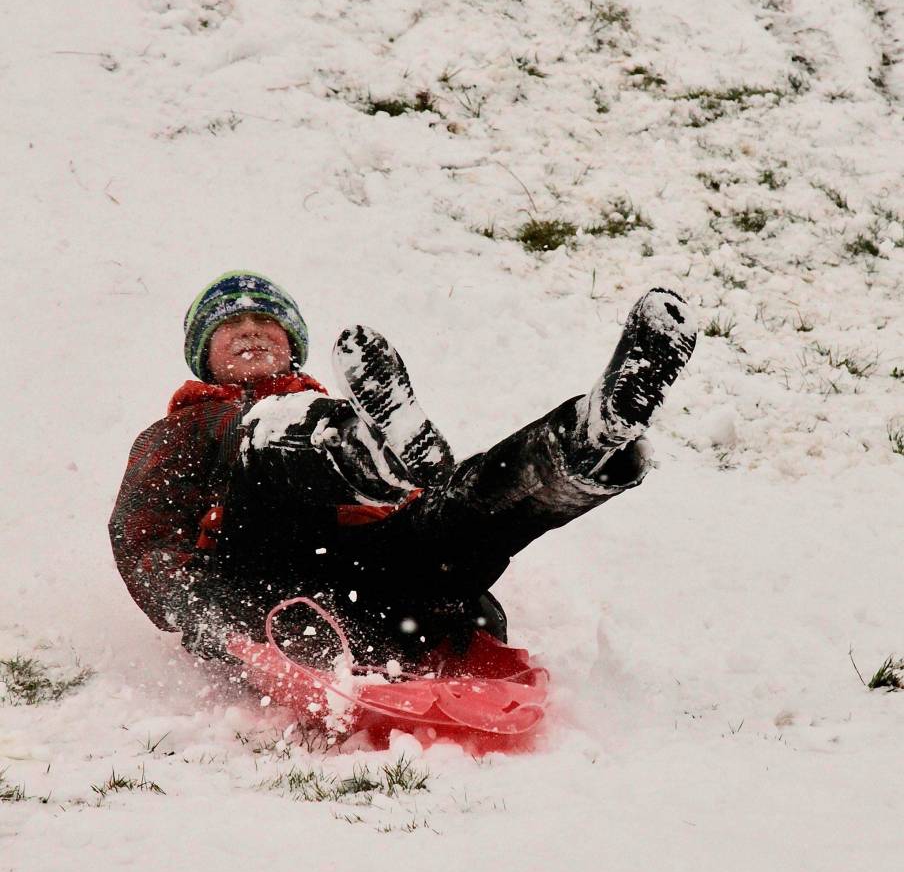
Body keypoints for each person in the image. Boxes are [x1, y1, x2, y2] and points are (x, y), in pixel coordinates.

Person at [109, 271, 696, 670]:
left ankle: (585, 442)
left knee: (457, 510)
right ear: (203, 356)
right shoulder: (184, 429)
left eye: (267, 327)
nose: (251, 334)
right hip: (264, 584)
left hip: (369, 590)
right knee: (263, 439)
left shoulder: (367, 415)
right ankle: (353, 454)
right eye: (232, 329)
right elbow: (143, 537)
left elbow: (436, 524)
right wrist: (206, 613)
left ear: (292, 348)